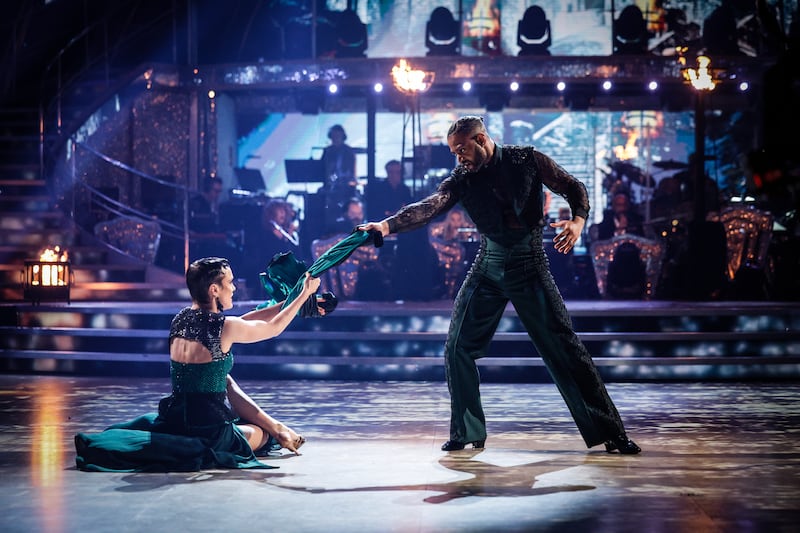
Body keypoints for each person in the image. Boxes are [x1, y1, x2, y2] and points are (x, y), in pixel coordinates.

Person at [358, 115, 640, 454]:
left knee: (565, 347)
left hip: (529, 265)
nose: (457, 157)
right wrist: (386, 227)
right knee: (457, 346)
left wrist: (578, 221)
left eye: (461, 149)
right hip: (488, 266)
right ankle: (467, 432)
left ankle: (611, 432)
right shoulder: (461, 178)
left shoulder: (528, 159)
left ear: (480, 139)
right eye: (453, 152)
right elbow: (429, 207)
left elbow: (573, 186)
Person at [74, 257, 322, 472]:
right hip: (208, 429)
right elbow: (272, 328)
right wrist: (303, 295)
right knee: (263, 437)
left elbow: (243, 320)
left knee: (228, 385)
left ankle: (277, 427)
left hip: (174, 418)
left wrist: (290, 303)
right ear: (214, 290)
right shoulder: (225, 327)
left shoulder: (181, 319)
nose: (234, 288)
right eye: (230, 283)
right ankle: (273, 430)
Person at [321, 124, 359, 231]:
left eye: (338, 136)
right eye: (333, 136)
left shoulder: (348, 151)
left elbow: (353, 172)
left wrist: (350, 182)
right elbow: (322, 170)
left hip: (346, 187)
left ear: (342, 136)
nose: (336, 138)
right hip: (331, 188)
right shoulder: (328, 151)